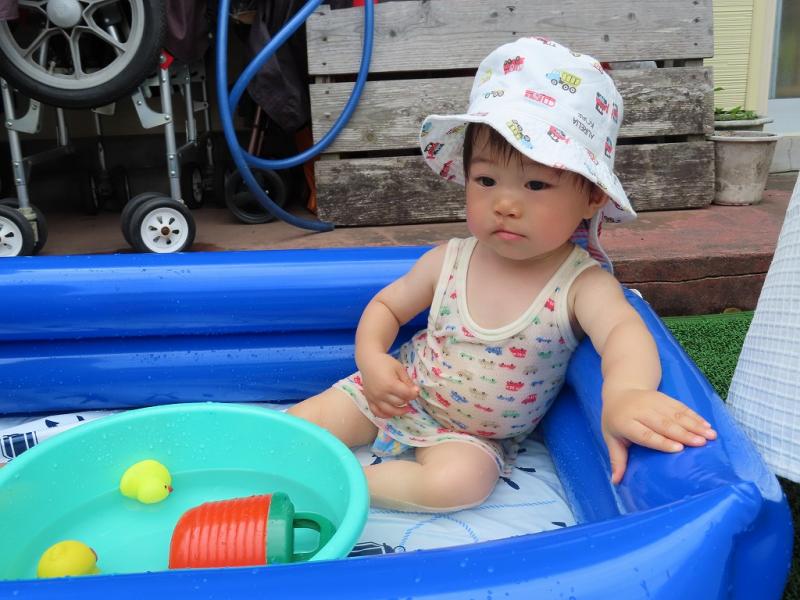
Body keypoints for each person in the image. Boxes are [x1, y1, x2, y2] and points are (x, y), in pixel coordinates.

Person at [288, 37, 717, 512]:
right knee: (299, 426)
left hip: (473, 437)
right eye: (486, 180)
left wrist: (626, 393)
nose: (505, 204)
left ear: (593, 196)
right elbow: (387, 305)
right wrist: (371, 360)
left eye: (535, 184)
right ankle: (264, 460)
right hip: (396, 393)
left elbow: (623, 333)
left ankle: (339, 485)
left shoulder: (580, 284)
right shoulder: (450, 259)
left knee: (457, 486)